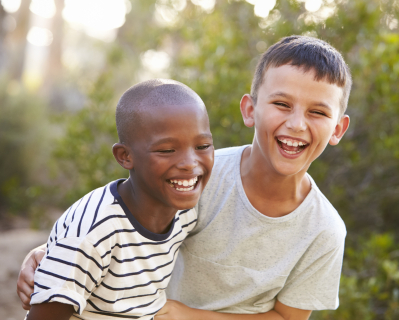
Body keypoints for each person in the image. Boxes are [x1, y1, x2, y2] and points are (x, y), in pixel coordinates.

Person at [18, 35, 351, 320]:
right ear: (250, 110)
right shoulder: (198, 174)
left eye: (317, 112)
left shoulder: (324, 231)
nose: (296, 124)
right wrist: (52, 253)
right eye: (282, 103)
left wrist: (184, 314)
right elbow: (119, 221)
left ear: (337, 129)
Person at [21, 79, 215, 320]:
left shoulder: (185, 209)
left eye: (203, 145)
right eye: (166, 150)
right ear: (125, 156)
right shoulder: (93, 235)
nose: (189, 163)